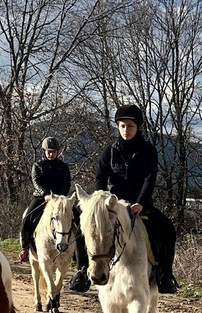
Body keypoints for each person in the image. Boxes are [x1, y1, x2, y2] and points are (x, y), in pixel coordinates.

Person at [70, 105, 177, 294]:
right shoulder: (109, 151)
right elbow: (100, 179)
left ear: (138, 127)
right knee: (84, 229)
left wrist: (141, 202)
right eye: (122, 126)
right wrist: (100, 204)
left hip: (139, 206)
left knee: (168, 230)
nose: (126, 130)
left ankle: (165, 276)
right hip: (112, 206)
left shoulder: (148, 151)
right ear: (118, 127)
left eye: (130, 126)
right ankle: (81, 271)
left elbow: (149, 178)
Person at [18, 137, 71, 263]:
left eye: (53, 152)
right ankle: (25, 248)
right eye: (48, 152)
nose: (51, 154)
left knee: (77, 217)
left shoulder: (63, 167)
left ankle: (78, 252)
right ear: (44, 151)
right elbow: (36, 182)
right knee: (27, 218)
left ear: (57, 152)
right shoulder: (37, 166)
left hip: (59, 199)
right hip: (41, 198)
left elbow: (66, 183)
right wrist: (45, 194)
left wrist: (59, 196)